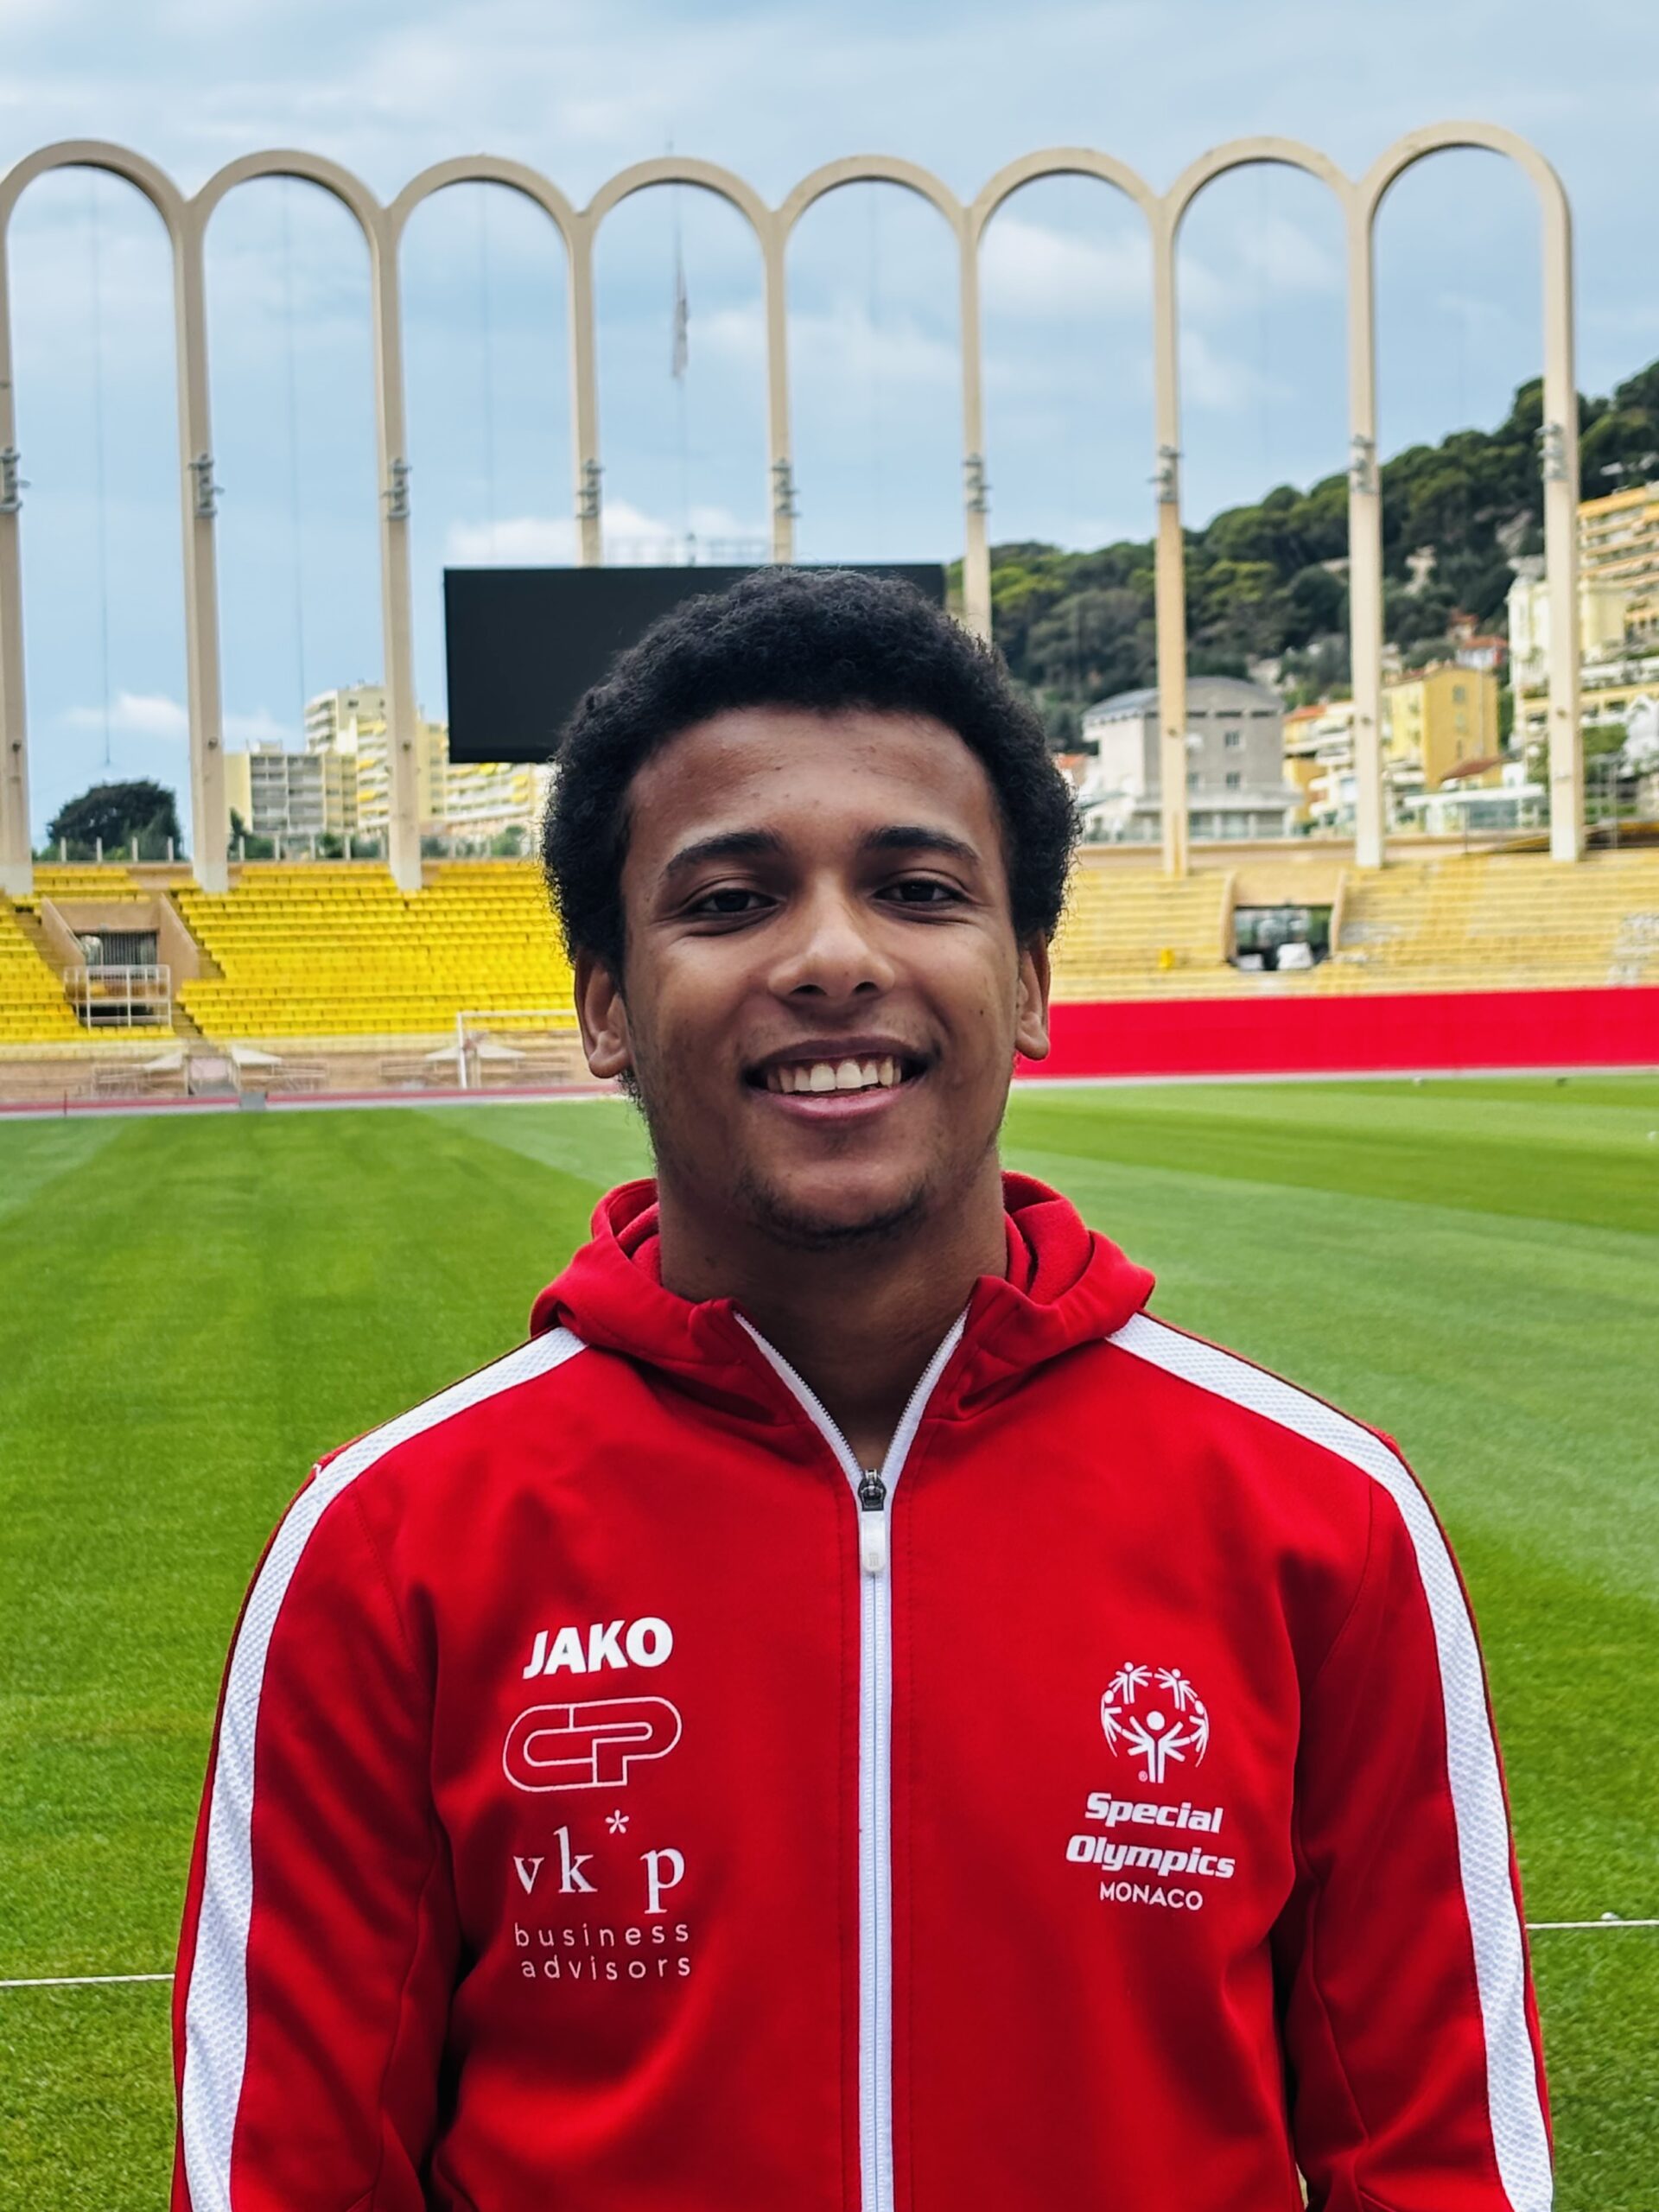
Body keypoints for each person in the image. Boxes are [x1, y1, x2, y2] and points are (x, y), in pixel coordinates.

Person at [171, 569, 1550, 2211]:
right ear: (606, 1007)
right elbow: (289, 2175)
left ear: (1029, 983)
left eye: (916, 888)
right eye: (729, 900)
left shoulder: (1322, 1521)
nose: (834, 957)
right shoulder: (389, 1545)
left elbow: (1439, 2166)